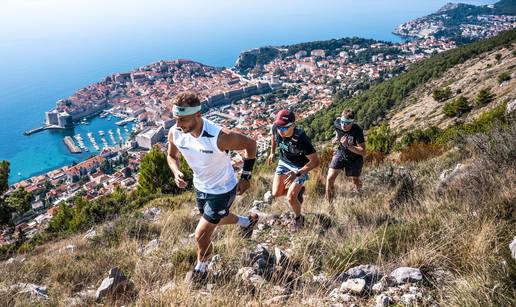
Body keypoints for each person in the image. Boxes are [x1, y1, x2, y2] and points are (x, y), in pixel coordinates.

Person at [167, 93, 259, 284]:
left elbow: (251, 145)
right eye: (176, 118)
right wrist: (176, 172)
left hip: (223, 189)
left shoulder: (220, 137)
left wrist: (246, 177)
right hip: (200, 187)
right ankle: (246, 222)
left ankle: (201, 271)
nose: (178, 124)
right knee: (217, 218)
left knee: (201, 235)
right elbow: (171, 156)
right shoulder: (175, 132)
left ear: (198, 115)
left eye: (183, 119)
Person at [267, 109, 319, 232]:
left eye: (284, 128)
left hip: (299, 167)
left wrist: (297, 173)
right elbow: (274, 138)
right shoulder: (276, 128)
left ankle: (298, 218)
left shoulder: (301, 140)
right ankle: (298, 193)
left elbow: (315, 161)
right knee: (276, 193)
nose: (281, 131)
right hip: (284, 162)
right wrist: (272, 153)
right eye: (279, 127)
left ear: (293, 125)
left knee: (290, 197)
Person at [325, 109, 366, 202]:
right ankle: (329, 205)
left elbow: (363, 151)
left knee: (355, 180)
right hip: (340, 153)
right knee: (329, 179)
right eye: (342, 122)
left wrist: (348, 145)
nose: (344, 125)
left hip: (355, 158)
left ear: (352, 122)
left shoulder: (357, 130)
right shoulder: (337, 122)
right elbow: (337, 129)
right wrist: (336, 137)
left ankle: (361, 196)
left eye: (347, 123)